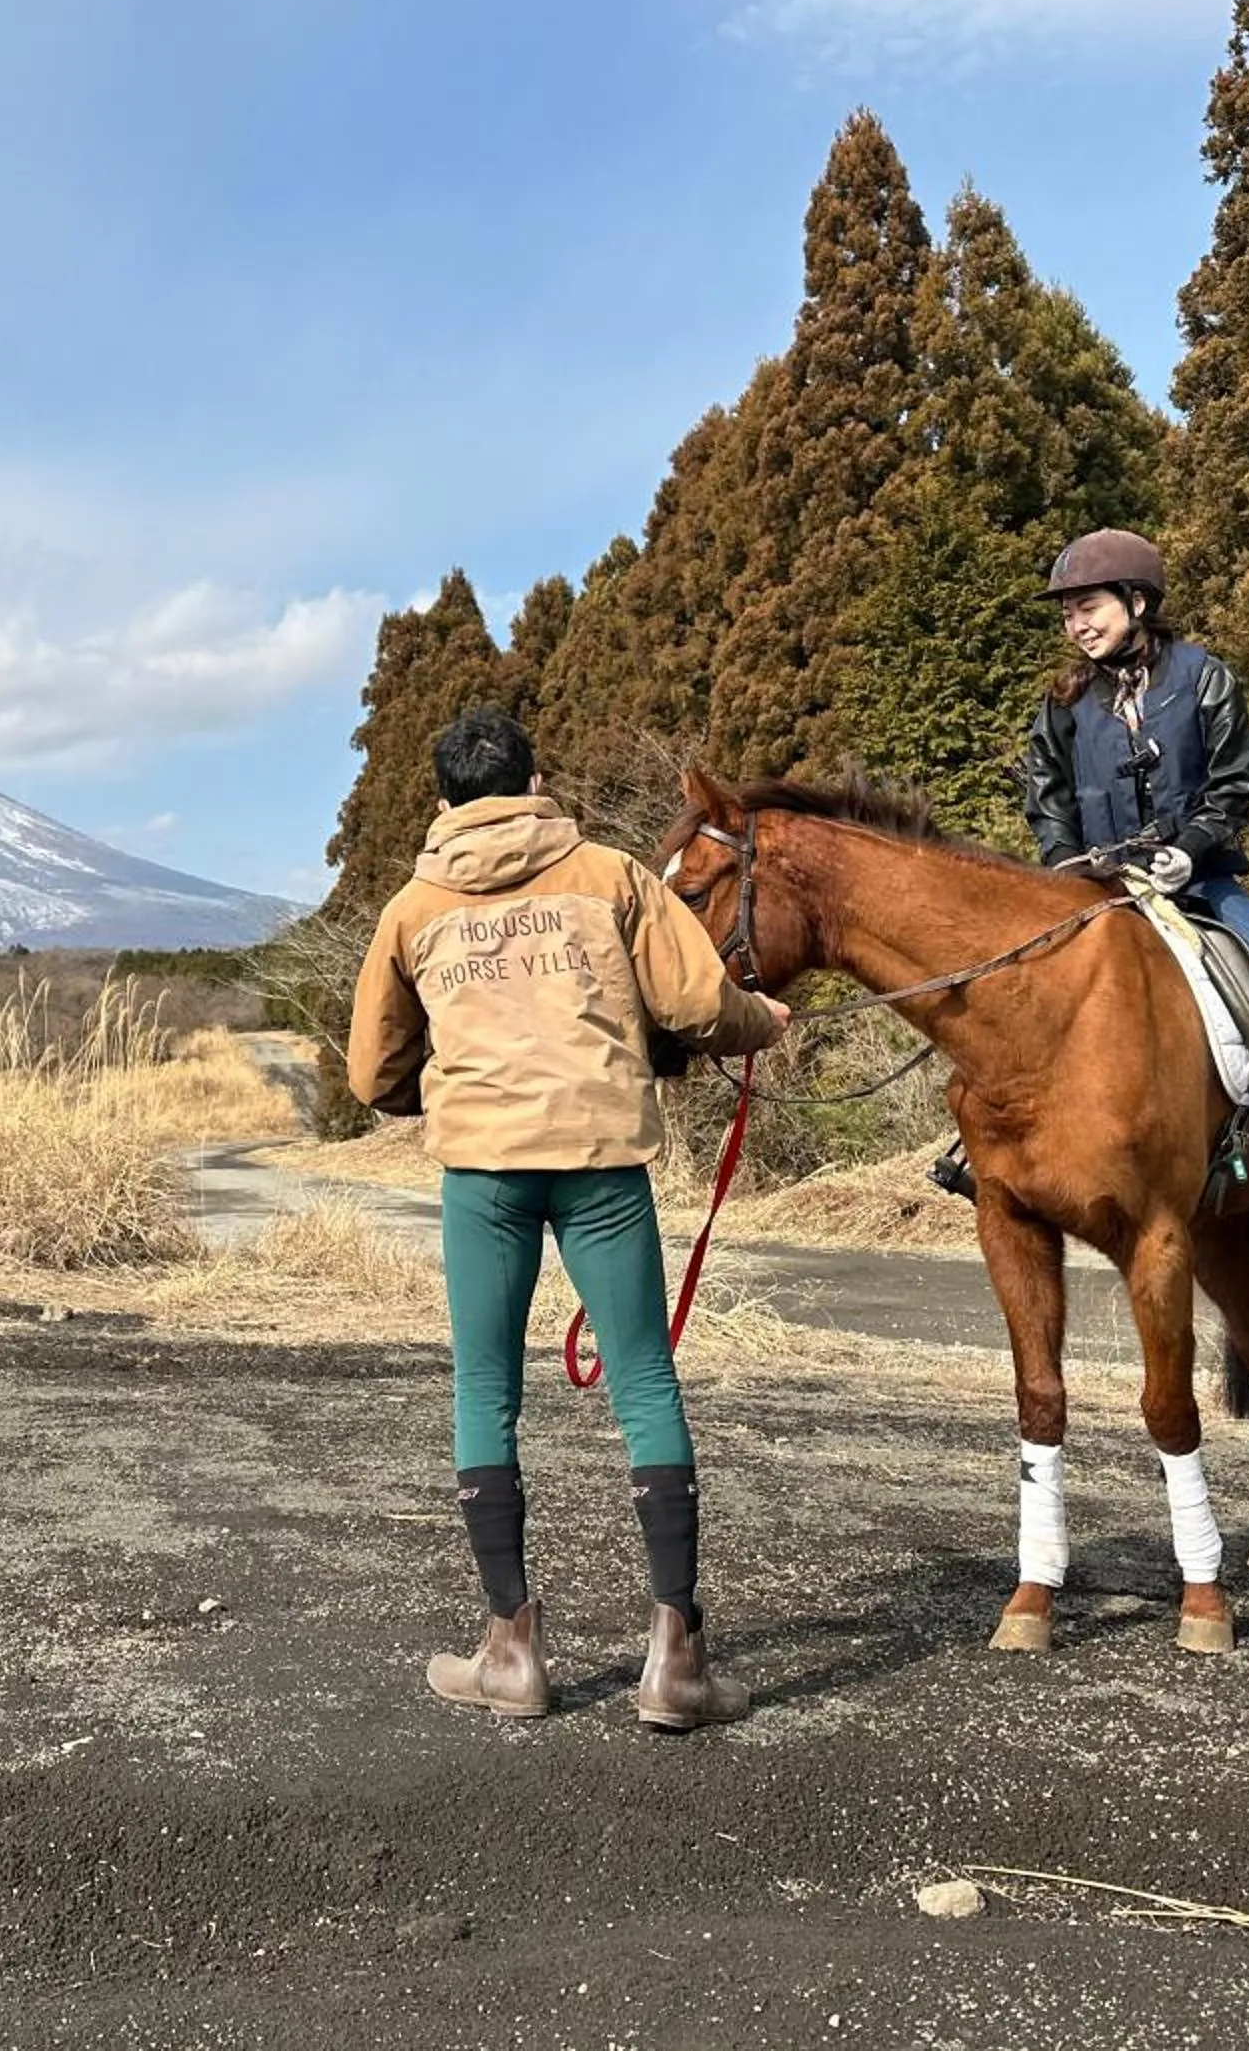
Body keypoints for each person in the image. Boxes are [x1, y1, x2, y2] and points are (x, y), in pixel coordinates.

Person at [347, 706, 792, 1730]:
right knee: (642, 1380)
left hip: (484, 1175)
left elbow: (375, 1071)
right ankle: (676, 1660)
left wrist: (451, 1090)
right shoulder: (610, 876)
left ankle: (511, 1651)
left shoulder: (413, 907)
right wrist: (758, 1019)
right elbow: (694, 1003)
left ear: (440, 801)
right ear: (538, 781)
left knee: (485, 1390)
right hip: (601, 1164)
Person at [959, 526, 1249, 1197]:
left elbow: (1232, 785)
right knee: (1021, 986)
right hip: (1097, 886)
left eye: (1089, 608)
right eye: (1068, 614)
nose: (1076, 625)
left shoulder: (1205, 679)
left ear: (1137, 602)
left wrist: (1187, 852)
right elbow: (1045, 794)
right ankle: (986, 1140)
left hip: (1199, 881)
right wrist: (1062, 865)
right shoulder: (1065, 703)